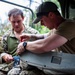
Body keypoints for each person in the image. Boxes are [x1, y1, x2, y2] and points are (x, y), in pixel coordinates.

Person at [0, 8, 47, 75]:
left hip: (29, 66)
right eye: (13, 22)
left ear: (23, 18)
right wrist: (4, 56)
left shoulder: (33, 34)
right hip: (9, 66)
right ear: (9, 20)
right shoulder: (6, 36)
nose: (16, 24)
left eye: (18, 21)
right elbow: (2, 52)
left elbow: (42, 50)